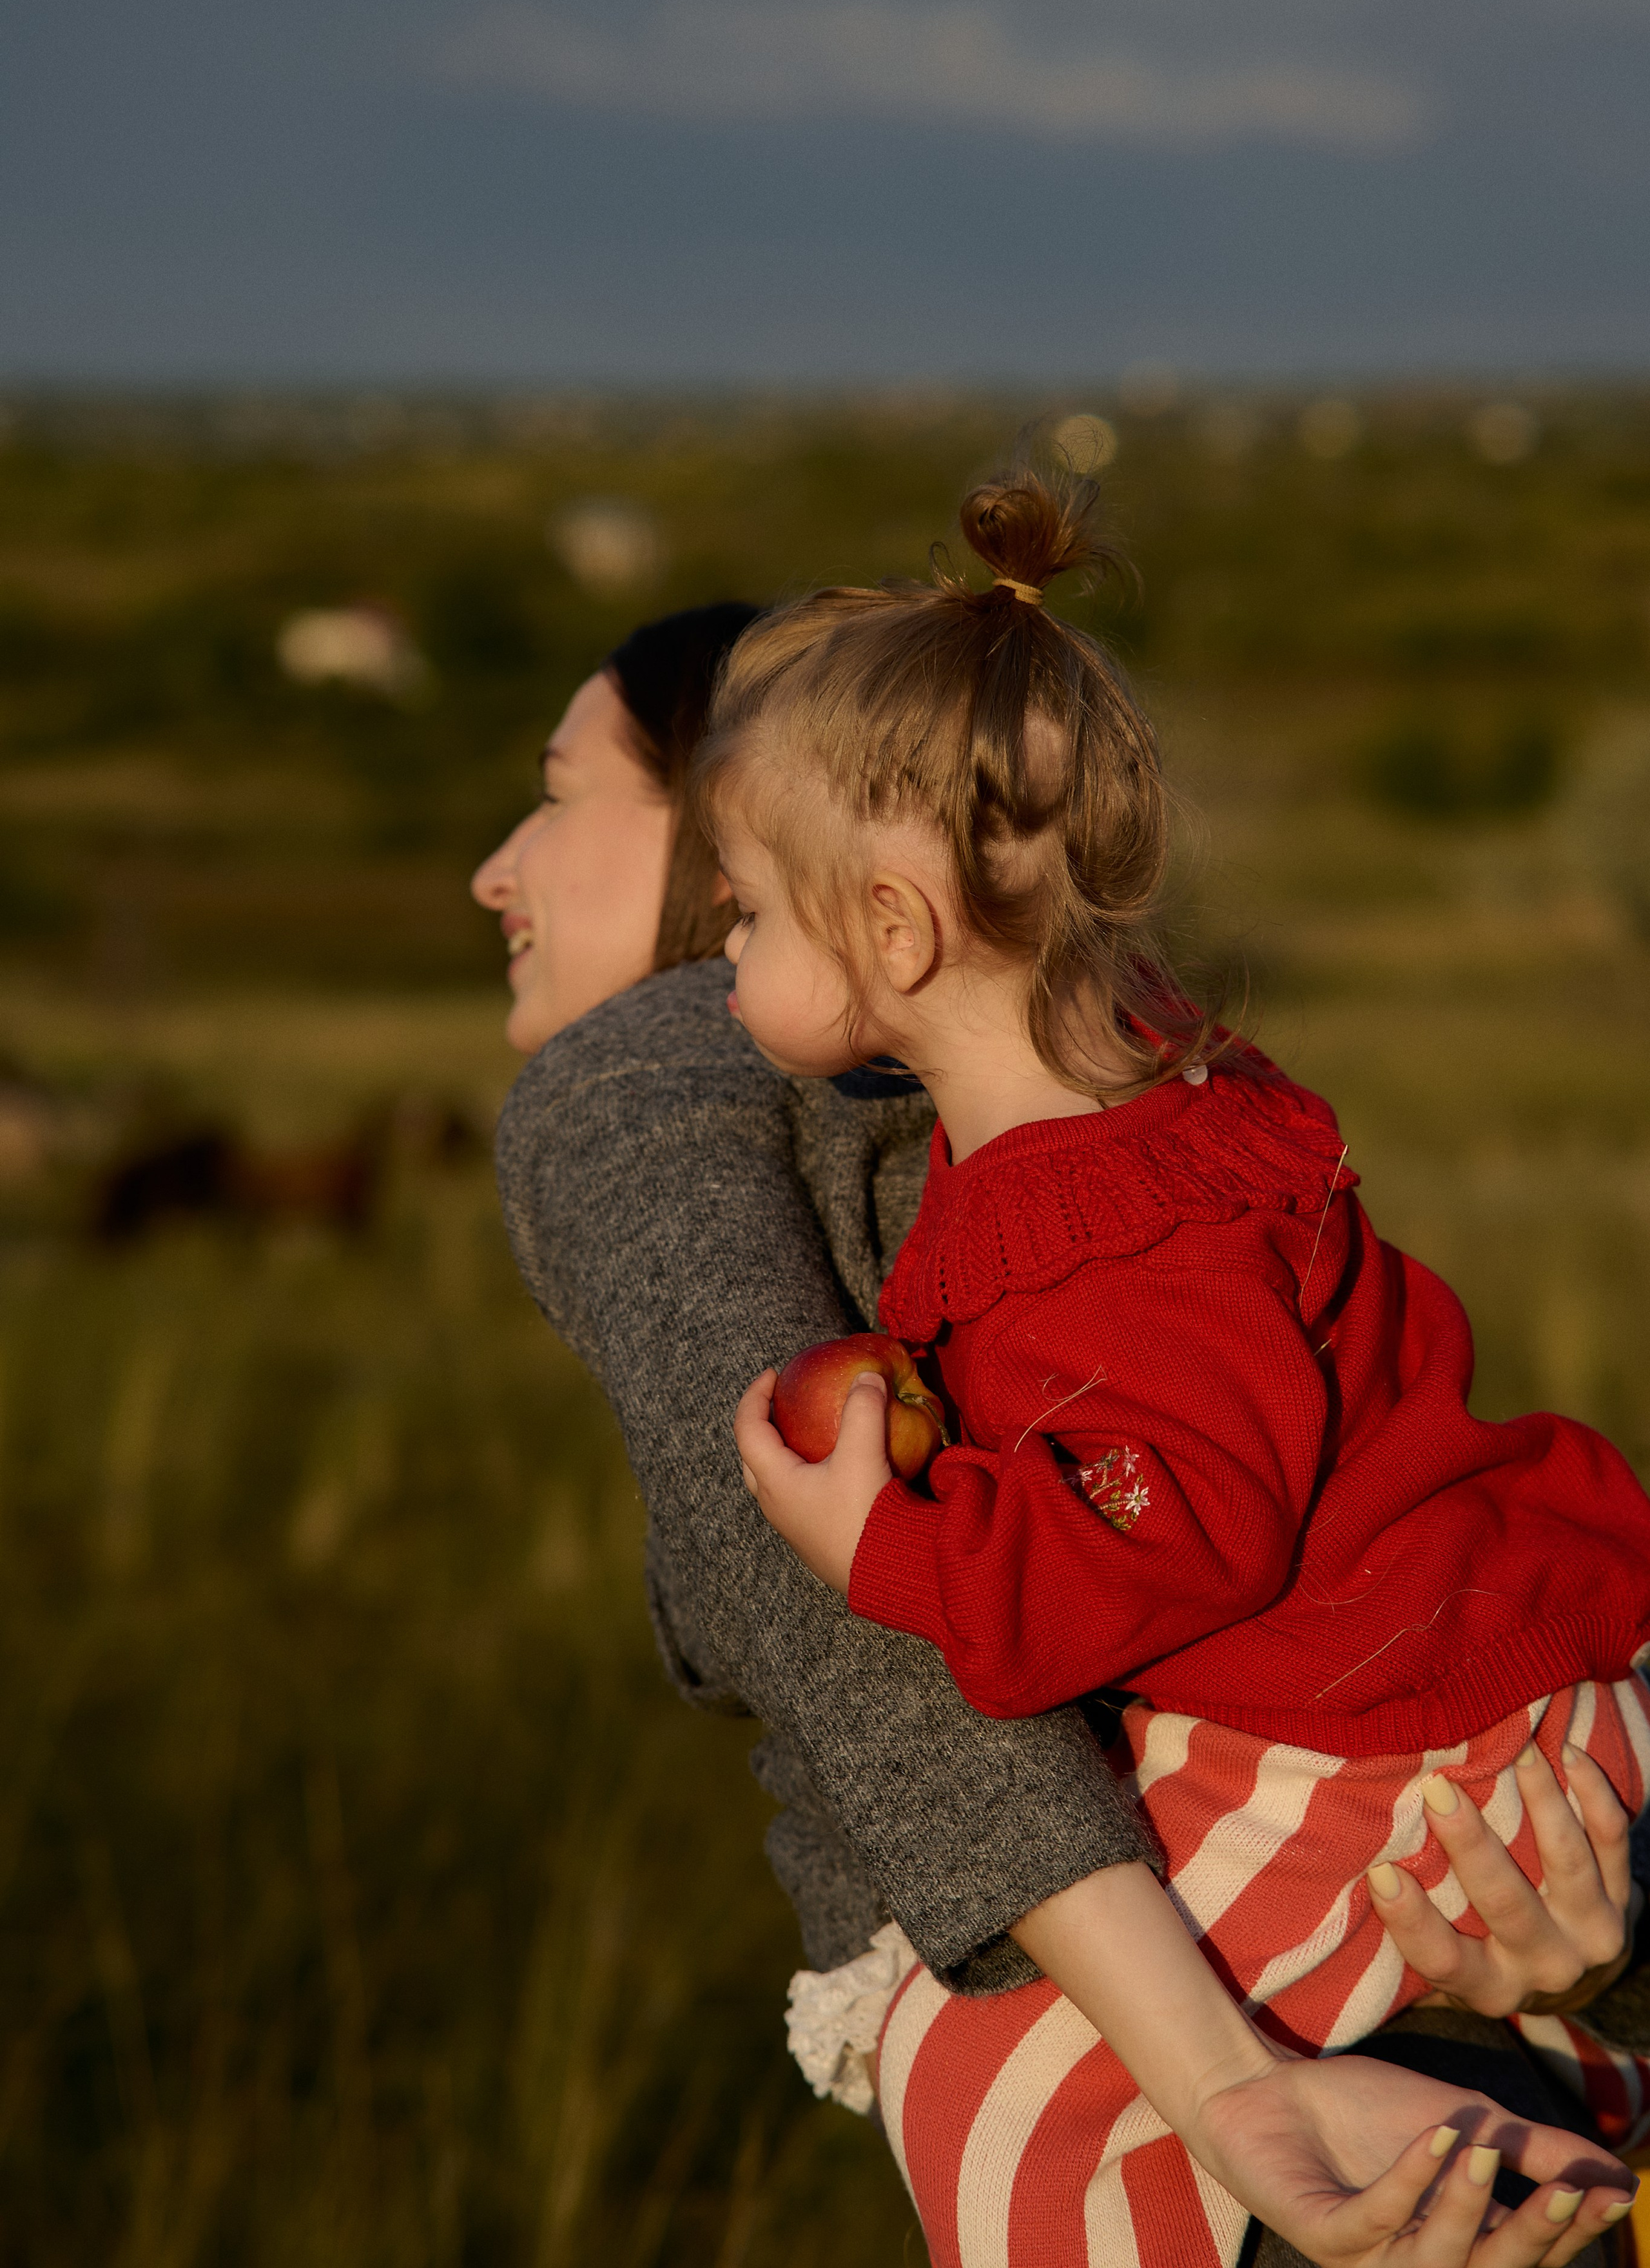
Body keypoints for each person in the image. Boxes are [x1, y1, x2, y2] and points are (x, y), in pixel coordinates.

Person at [473, 595, 1647, 2267]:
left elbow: (1148, 1532)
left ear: (888, 917)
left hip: (1382, 1725)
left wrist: (889, 1541)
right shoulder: (1143, 1084)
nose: (492, 862)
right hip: (1464, 1692)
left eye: (565, 783)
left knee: (1006, 2109)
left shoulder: (735, 1108)